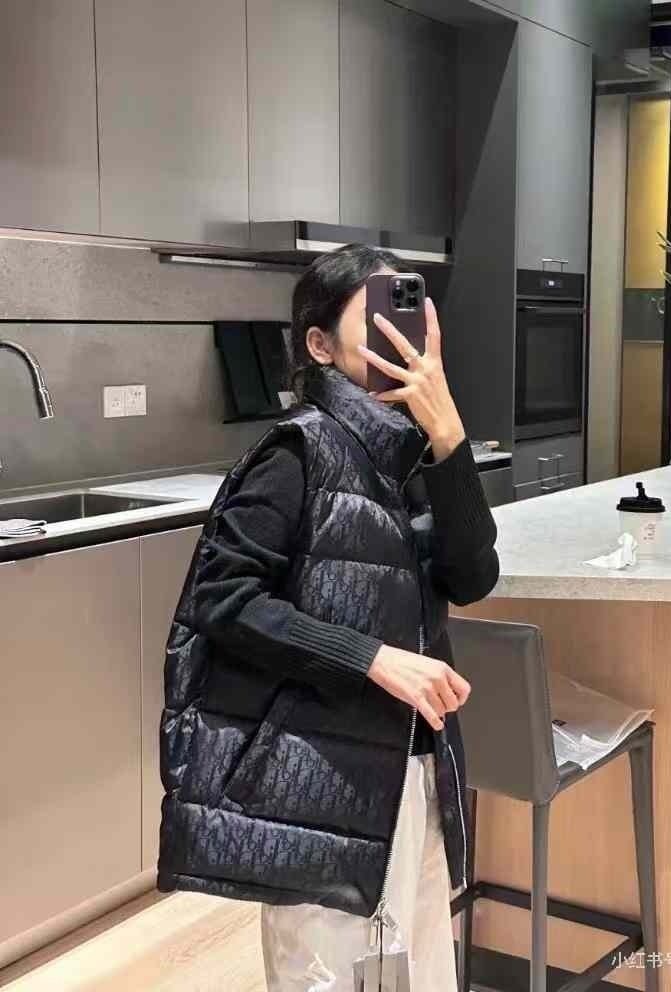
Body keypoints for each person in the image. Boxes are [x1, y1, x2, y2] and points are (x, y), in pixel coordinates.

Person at [156, 244, 500, 991]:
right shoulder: (297, 450)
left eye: (408, 314)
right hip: (320, 778)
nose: (398, 337)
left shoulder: (407, 450)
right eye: (375, 318)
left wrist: (450, 437)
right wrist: (371, 658)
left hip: (413, 759)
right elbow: (223, 599)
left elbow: (473, 578)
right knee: (333, 973)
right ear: (318, 345)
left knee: (415, 970)